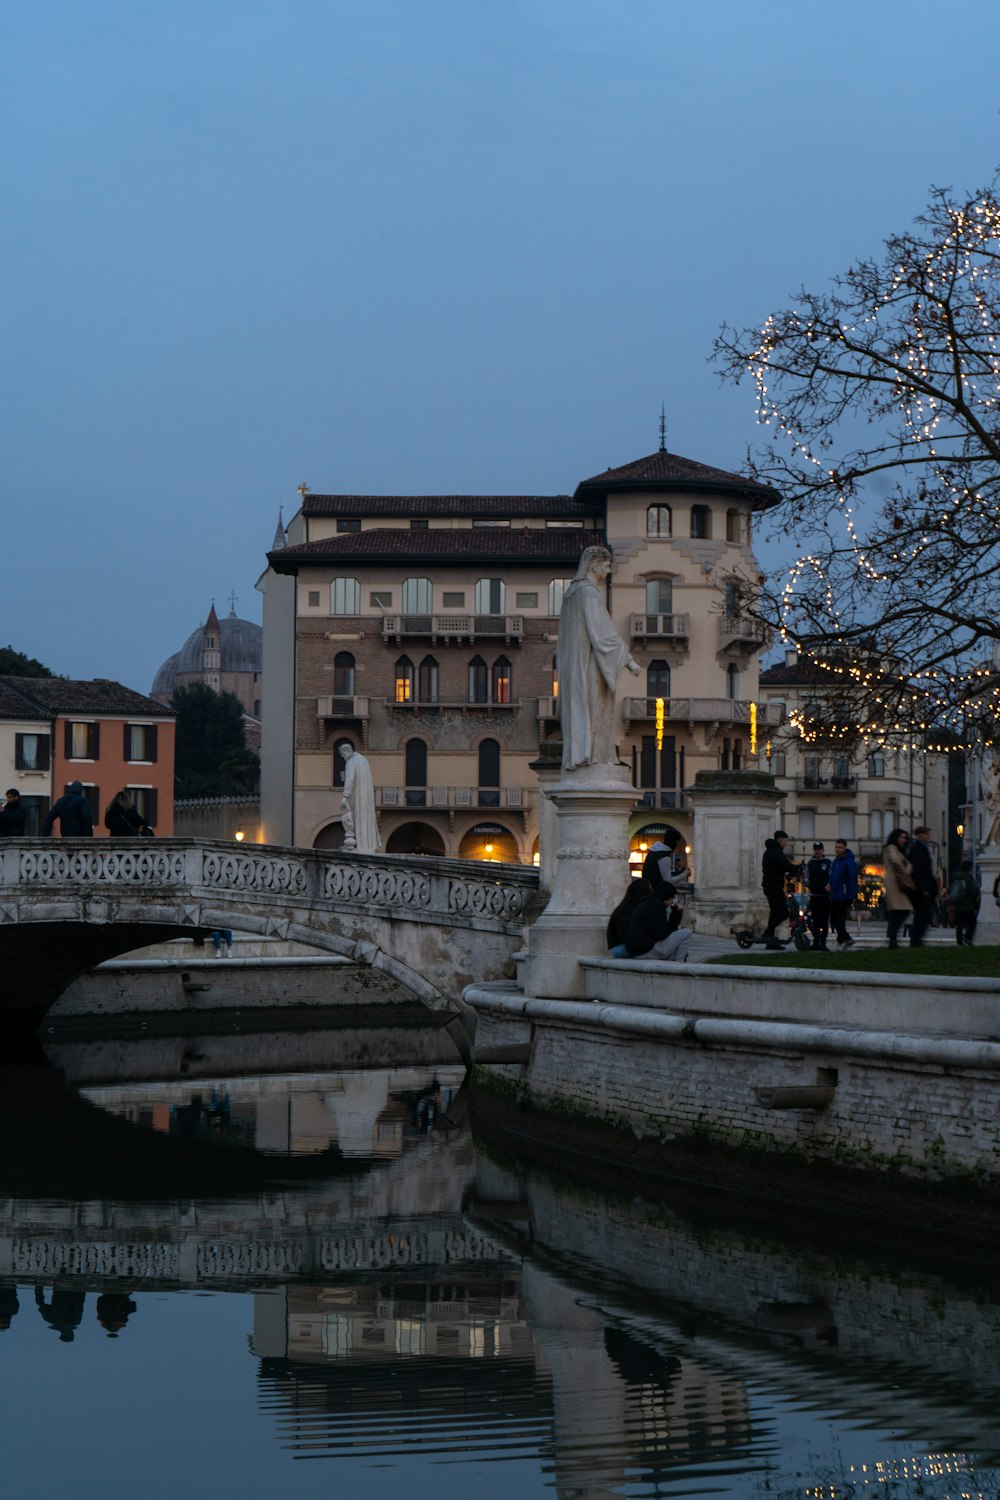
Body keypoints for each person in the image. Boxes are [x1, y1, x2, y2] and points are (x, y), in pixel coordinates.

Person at [557, 545, 641, 772]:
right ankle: (593, 757)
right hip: (591, 665)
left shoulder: (570, 594)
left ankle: (587, 755)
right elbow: (604, 634)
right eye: (606, 565)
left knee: (587, 711)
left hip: (575, 667)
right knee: (595, 712)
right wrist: (628, 660)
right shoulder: (588, 593)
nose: (609, 570)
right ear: (594, 564)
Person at [624, 880, 693, 963]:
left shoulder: (649, 903)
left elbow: (662, 931)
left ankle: (676, 965)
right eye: (672, 898)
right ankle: (679, 966)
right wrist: (676, 914)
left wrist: (676, 913)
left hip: (638, 950)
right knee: (687, 933)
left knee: (675, 950)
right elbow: (661, 934)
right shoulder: (657, 906)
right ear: (668, 897)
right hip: (646, 950)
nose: (672, 902)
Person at [761, 830, 801, 948]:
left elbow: (780, 867)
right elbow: (785, 865)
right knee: (783, 913)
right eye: (786, 840)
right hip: (774, 886)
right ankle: (767, 934)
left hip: (770, 885)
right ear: (780, 839)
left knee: (774, 913)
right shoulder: (776, 851)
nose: (786, 843)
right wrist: (798, 867)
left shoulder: (770, 851)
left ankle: (771, 942)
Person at [339, 745, 381, 853]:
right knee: (363, 818)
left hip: (357, 795)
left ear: (346, 751)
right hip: (366, 796)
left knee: (356, 817)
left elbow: (350, 778)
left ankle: (360, 846)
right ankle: (365, 845)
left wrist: (345, 796)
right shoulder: (363, 759)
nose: (342, 757)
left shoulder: (351, 761)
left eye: (342, 754)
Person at [906, 825, 937, 946]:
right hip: (920, 888)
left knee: (922, 914)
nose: (928, 836)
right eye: (926, 834)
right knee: (924, 914)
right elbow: (918, 870)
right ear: (920, 835)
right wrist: (923, 888)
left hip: (922, 886)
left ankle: (916, 938)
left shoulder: (920, 847)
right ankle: (916, 939)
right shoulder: (918, 848)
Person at [882, 828, 914, 949]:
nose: (904, 840)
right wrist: (905, 870)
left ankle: (893, 938)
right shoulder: (891, 848)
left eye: (905, 838)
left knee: (897, 912)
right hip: (896, 883)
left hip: (897, 883)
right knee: (904, 910)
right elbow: (895, 862)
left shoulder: (897, 850)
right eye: (902, 837)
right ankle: (892, 936)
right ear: (896, 838)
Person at [607, 877, 652, 957]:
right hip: (622, 948)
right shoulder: (628, 911)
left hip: (618, 947)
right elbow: (624, 935)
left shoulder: (624, 908)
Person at [829, 837, 859, 950]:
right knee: (835, 920)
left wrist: (851, 895)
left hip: (844, 895)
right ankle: (845, 940)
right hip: (835, 895)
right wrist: (829, 885)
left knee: (838, 920)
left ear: (845, 848)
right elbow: (833, 877)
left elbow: (852, 879)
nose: (837, 849)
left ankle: (842, 941)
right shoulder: (836, 861)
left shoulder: (849, 862)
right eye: (836, 847)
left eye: (840, 847)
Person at [804, 840, 832, 951]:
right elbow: (806, 877)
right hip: (814, 896)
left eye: (819, 849)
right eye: (815, 849)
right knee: (815, 921)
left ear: (823, 850)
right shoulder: (810, 863)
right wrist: (810, 884)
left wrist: (829, 886)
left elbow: (831, 877)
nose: (817, 851)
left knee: (824, 921)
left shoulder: (828, 863)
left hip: (825, 897)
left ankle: (823, 943)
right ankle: (816, 942)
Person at [949, 859, 980, 946]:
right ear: (970, 868)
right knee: (972, 922)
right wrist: (973, 898)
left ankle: (959, 941)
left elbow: (951, 889)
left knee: (959, 925)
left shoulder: (956, 876)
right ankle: (967, 938)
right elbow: (974, 888)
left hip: (957, 905)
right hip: (968, 905)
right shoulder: (968, 877)